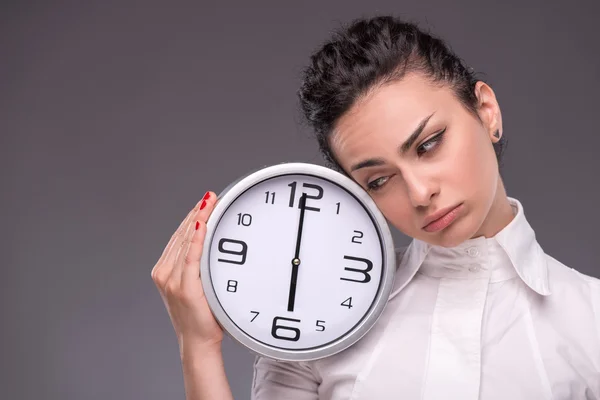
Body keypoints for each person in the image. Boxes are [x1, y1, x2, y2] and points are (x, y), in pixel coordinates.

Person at [151, 15, 600, 400]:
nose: (420, 193)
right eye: (379, 180)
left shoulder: (591, 322)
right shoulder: (316, 323)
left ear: (486, 111)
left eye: (428, 144)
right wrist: (198, 347)